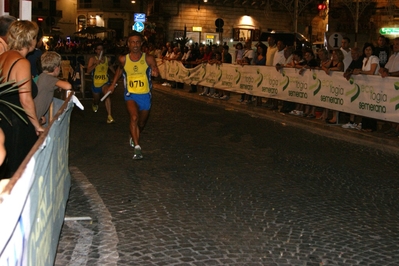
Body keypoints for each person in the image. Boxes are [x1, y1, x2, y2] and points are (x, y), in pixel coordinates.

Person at [0, 20, 44, 178]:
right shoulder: (22, 62)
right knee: (19, 173)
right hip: (18, 124)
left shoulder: (2, 57)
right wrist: (37, 125)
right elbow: (25, 99)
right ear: (30, 39)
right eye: (35, 37)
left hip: (3, 120)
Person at [108, 31, 159, 160]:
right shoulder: (123, 59)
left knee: (141, 123)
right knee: (134, 117)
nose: (135, 44)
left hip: (145, 95)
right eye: (132, 42)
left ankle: (134, 134)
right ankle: (137, 148)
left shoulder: (148, 58)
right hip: (130, 94)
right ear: (128, 44)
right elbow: (120, 70)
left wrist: (155, 72)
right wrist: (113, 84)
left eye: (137, 42)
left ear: (141, 44)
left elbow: (155, 69)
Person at [35, 51, 72, 123]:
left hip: (36, 114)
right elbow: (68, 86)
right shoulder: (48, 78)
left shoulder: (42, 76)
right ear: (56, 68)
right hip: (36, 115)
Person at [351, 43, 380, 132]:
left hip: (373, 85)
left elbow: (372, 72)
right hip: (366, 85)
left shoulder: (374, 58)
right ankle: (365, 124)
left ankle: (371, 126)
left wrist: (360, 72)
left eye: (369, 49)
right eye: (366, 50)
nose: (368, 51)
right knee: (365, 105)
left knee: (371, 105)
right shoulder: (364, 59)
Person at [86, 43, 116, 123]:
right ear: (96, 51)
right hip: (96, 83)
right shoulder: (92, 59)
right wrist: (95, 64)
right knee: (96, 99)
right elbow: (88, 71)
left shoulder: (107, 59)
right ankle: (95, 103)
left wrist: (116, 74)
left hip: (105, 82)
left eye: (101, 49)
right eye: (98, 49)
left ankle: (109, 116)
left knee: (107, 95)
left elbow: (110, 66)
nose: (100, 51)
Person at [379, 37, 399, 137]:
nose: (395, 46)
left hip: (397, 86)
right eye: (394, 44)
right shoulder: (392, 56)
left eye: (397, 44)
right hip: (390, 87)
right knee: (391, 106)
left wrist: (390, 74)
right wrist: (382, 70)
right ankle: (392, 126)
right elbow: (386, 68)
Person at [341, 47, 364, 128]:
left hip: (363, 86)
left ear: (359, 53)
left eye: (354, 53)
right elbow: (349, 70)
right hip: (355, 86)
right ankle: (352, 121)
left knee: (361, 104)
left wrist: (350, 72)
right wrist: (348, 72)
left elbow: (359, 70)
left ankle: (361, 122)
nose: (353, 55)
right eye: (352, 54)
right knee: (353, 102)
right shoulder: (353, 61)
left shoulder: (362, 60)